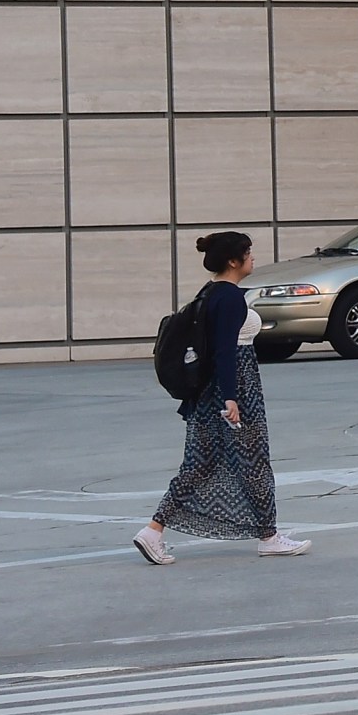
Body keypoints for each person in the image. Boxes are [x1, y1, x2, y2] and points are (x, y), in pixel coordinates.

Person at [134, 232, 312, 564]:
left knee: (199, 465)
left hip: (206, 394)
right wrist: (231, 398)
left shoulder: (210, 292)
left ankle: (152, 531)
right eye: (248, 253)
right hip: (235, 390)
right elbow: (225, 352)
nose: (252, 258)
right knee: (255, 463)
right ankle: (269, 537)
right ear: (234, 261)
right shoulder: (229, 297)